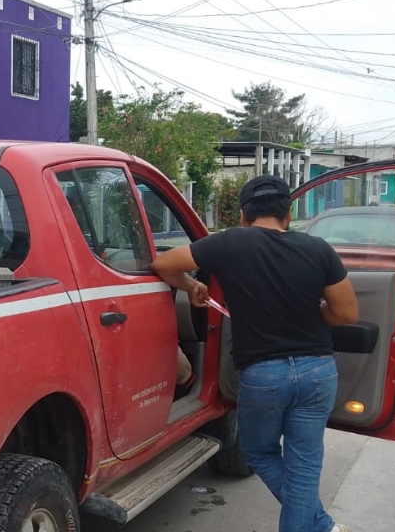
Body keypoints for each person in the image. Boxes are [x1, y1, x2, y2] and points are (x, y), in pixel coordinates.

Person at [150, 174, 360, 532]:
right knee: (305, 465)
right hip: (318, 371)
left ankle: (321, 526)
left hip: (264, 375)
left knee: (260, 452)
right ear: (289, 214)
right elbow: (346, 314)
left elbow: (164, 265)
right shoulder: (318, 249)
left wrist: (193, 285)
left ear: (244, 216)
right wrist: (312, 311)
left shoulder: (228, 243)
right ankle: (319, 525)